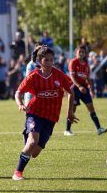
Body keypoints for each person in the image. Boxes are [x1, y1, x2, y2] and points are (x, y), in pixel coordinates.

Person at [12, 45, 78, 181]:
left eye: (51, 60)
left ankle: (28, 137)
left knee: (35, 153)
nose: (49, 63)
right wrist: (20, 104)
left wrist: (70, 112)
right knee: (32, 142)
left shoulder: (59, 75)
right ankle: (17, 173)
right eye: (46, 60)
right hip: (34, 113)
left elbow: (71, 91)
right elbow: (18, 92)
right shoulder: (33, 76)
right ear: (40, 61)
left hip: (51, 118)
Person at [64, 45, 107, 136]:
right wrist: (79, 86)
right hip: (74, 88)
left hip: (84, 88)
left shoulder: (86, 64)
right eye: (79, 51)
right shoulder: (73, 62)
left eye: (83, 52)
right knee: (73, 109)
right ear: (76, 53)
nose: (81, 53)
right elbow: (72, 77)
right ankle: (67, 130)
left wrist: (90, 88)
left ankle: (99, 128)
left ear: (85, 54)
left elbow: (87, 77)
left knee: (91, 107)